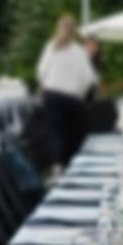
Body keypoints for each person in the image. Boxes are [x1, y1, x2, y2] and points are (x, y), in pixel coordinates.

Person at [36, 14, 96, 167]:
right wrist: (79, 93)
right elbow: (89, 78)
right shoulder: (79, 51)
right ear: (75, 31)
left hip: (52, 94)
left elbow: (42, 71)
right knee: (71, 132)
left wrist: (45, 86)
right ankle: (71, 164)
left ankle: (56, 166)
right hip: (72, 98)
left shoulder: (51, 47)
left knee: (55, 132)